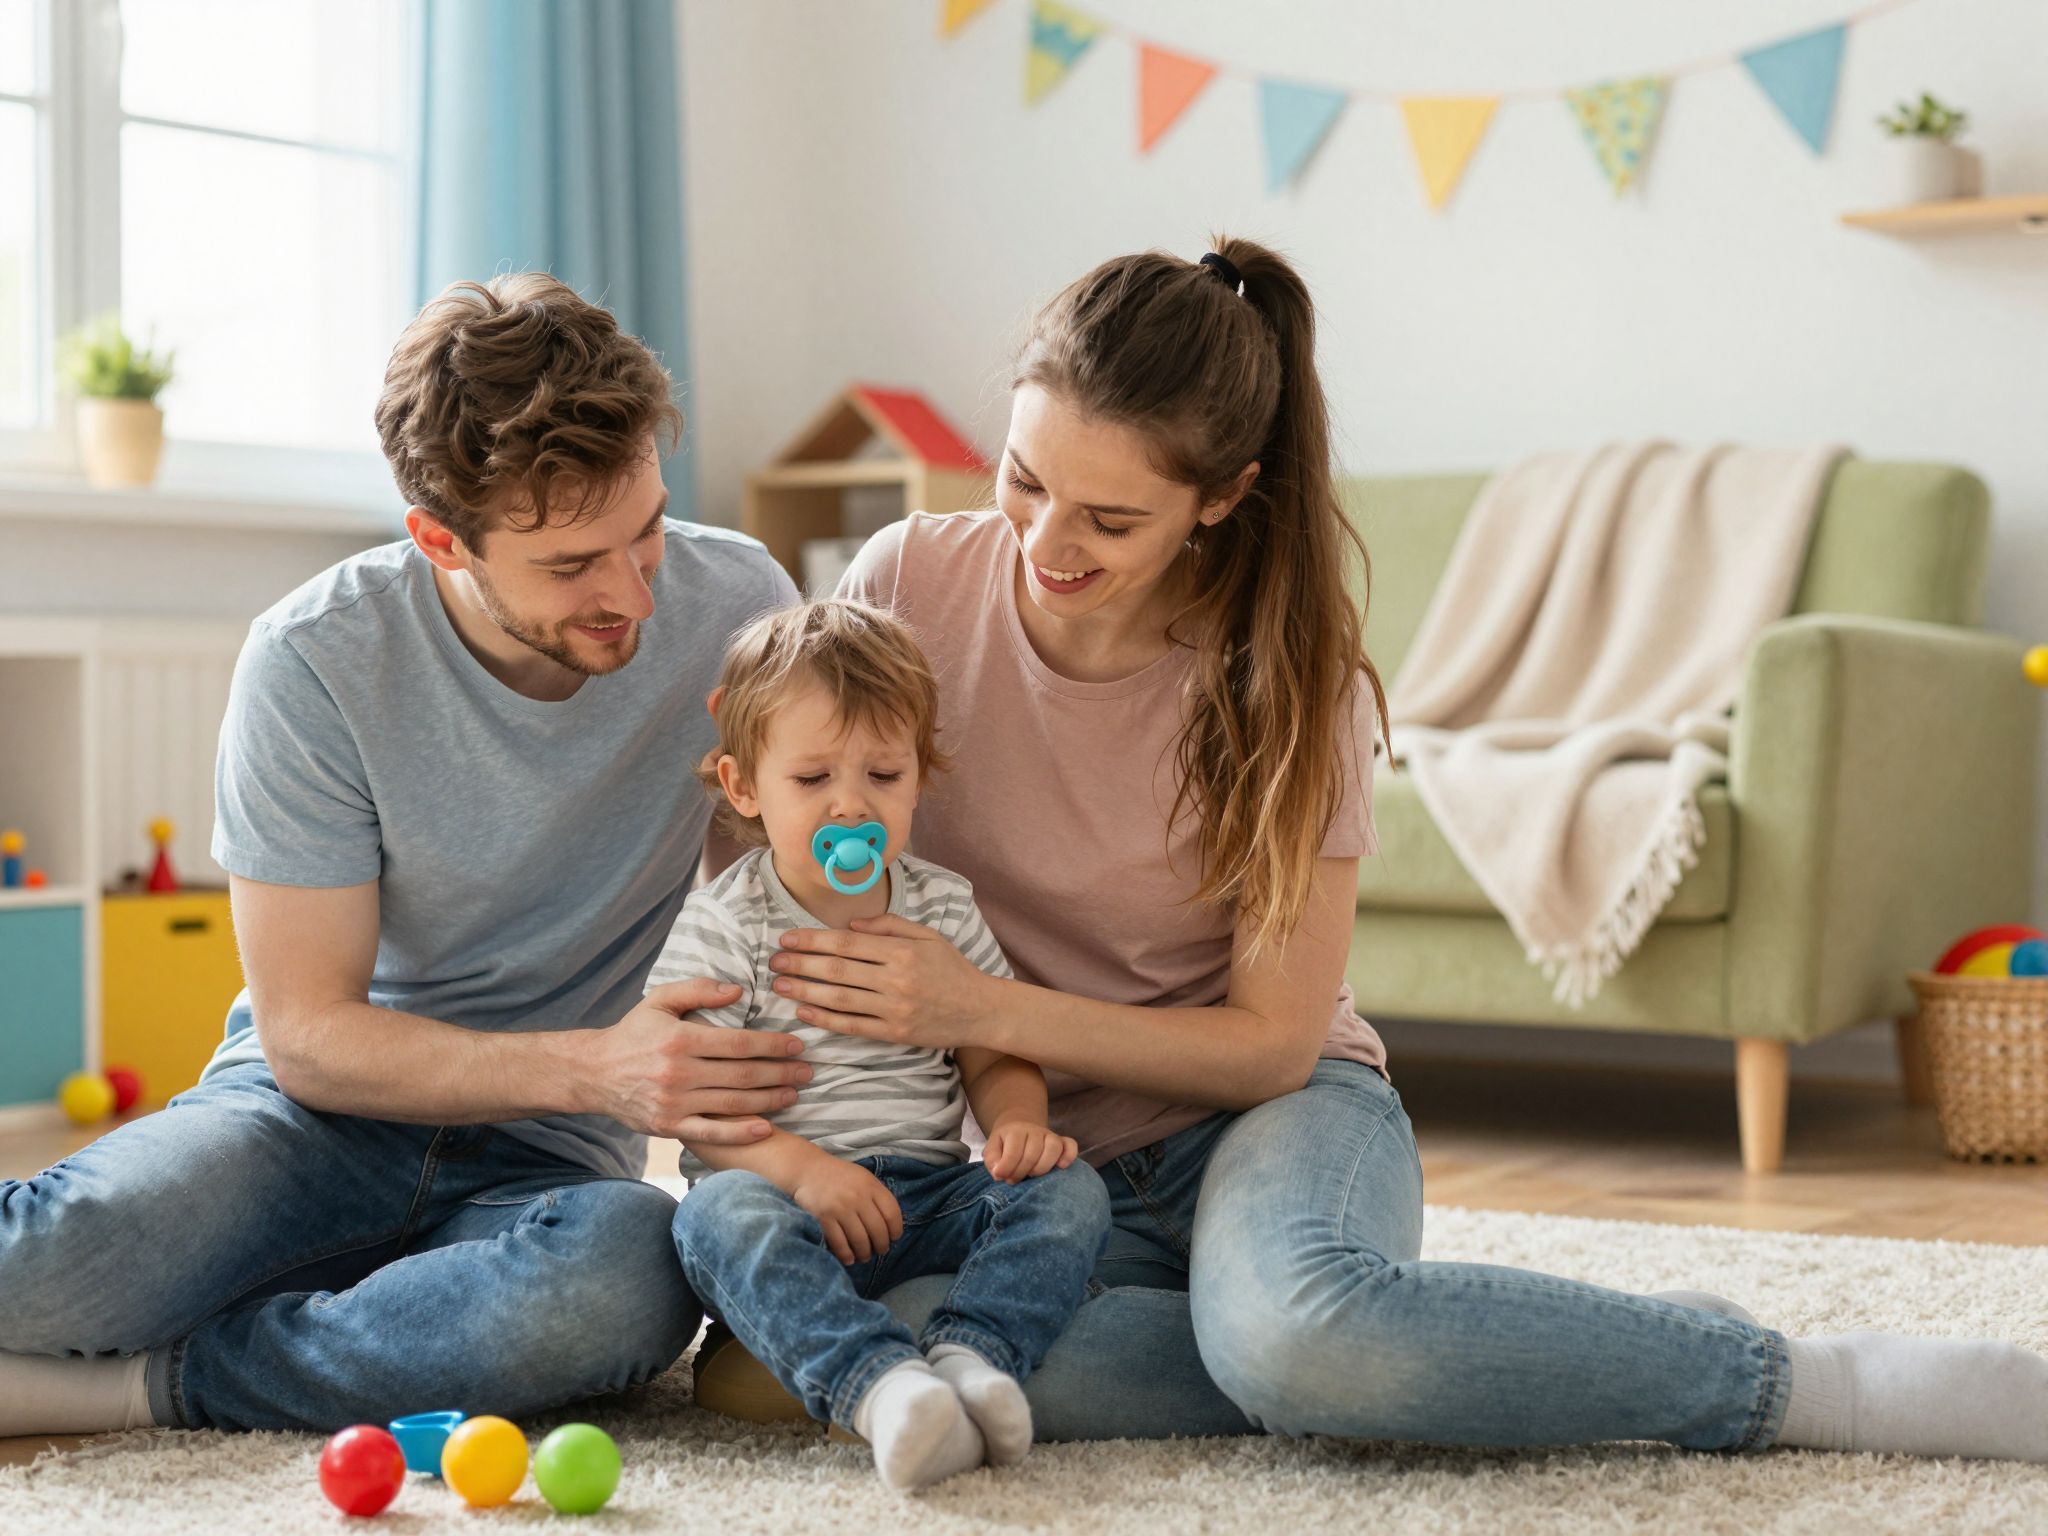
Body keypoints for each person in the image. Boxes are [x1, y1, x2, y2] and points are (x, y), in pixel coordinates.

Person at [748, 239, 2048, 1462]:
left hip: (1266, 1119)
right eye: (1023, 479)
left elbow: (1269, 1043)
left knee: (1297, 1334)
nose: (1043, 544)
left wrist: (977, 1005)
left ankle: (1800, 1381)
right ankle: (1485, 1348)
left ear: (1220, 501)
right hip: (1029, 1173)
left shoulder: (1293, 684)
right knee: (886, 1353)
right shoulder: (904, 586)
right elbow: (787, 848)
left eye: (1109, 517)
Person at [0, 274, 809, 1436]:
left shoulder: (737, 602)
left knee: (623, 1289)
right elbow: (312, 1038)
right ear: (441, 538)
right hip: (305, 1124)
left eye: (648, 530)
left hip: (547, 1164)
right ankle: (338, 1325)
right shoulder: (314, 659)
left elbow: (772, 923)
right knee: (49, 1264)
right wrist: (597, 1069)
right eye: (575, 563)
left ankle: (146, 1385)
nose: (633, 593)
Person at [657, 599, 1110, 1490]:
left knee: (1069, 1187)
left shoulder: (941, 904)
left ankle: (973, 1358)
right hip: (788, 1203)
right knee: (712, 1219)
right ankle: (881, 1388)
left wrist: (1018, 1123)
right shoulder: (726, 921)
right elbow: (693, 1101)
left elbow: (991, 1047)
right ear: (745, 787)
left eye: (882, 774)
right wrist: (803, 1172)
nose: (849, 805)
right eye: (813, 778)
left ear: (919, 778)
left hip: (927, 1196)